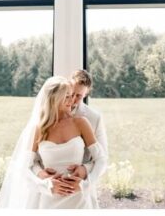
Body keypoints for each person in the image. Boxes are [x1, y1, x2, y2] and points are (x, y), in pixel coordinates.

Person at [0, 76, 107, 209]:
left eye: (72, 96)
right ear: (54, 99)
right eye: (67, 96)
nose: (72, 101)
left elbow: (101, 159)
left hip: (78, 199)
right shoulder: (40, 128)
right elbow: (24, 167)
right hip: (49, 199)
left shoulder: (81, 123)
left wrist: (85, 185)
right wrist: (46, 186)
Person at [31, 70, 109, 206]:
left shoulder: (89, 119)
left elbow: (102, 157)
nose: (72, 100)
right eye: (69, 94)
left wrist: (85, 173)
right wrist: (42, 177)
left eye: (78, 96)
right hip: (49, 195)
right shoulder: (41, 125)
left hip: (78, 193)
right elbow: (29, 163)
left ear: (85, 95)